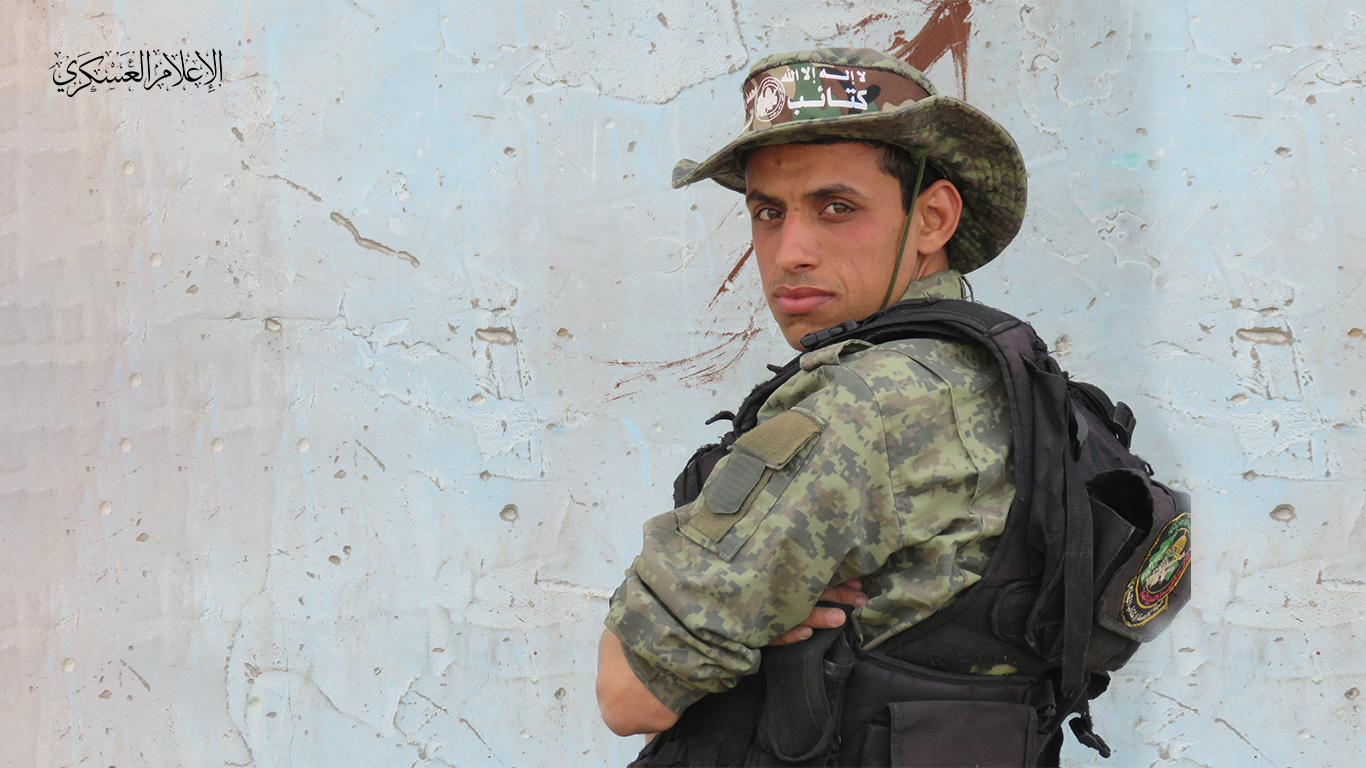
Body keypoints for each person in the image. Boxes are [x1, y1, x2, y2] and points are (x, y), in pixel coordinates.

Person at [597, 47, 1036, 764]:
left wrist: (745, 617)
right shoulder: (990, 373)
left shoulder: (864, 402)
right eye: (768, 212)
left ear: (932, 218)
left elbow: (627, 694)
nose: (790, 252)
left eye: (837, 208)